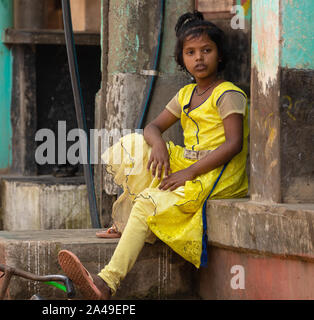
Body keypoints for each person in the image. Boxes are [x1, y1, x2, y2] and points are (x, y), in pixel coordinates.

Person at [58, 11, 249, 299]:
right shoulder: (186, 94)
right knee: (135, 146)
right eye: (191, 52)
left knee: (148, 202)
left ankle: (106, 283)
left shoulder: (227, 93)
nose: (199, 58)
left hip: (218, 173)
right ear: (182, 59)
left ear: (219, 56)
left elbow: (233, 144)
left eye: (206, 51)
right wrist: (158, 143)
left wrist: (189, 172)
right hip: (190, 160)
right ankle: (130, 224)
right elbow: (152, 127)